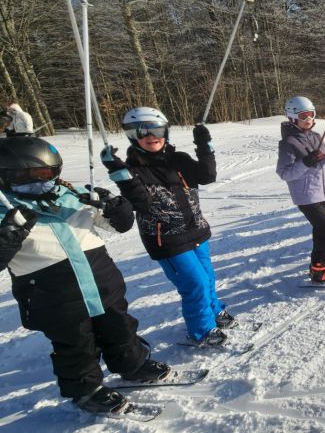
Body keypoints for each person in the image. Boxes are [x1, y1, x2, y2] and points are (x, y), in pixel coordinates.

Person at [0, 136, 170, 414]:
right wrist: (6, 237)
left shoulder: (72, 195)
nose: (43, 181)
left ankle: (132, 364)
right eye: (31, 175)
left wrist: (117, 207)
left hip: (102, 283)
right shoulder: (5, 211)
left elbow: (120, 225)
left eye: (48, 173)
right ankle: (86, 389)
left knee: (120, 326)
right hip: (53, 297)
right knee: (76, 344)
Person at [101, 107, 233, 347]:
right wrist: (119, 173)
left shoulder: (179, 160)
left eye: (157, 129)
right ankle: (201, 331)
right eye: (143, 131)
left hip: (196, 230)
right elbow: (144, 204)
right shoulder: (132, 171)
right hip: (167, 240)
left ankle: (215, 311)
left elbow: (207, 176)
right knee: (194, 284)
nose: (152, 135)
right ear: (133, 135)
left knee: (208, 278)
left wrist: (204, 145)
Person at [276, 96, 325, 284]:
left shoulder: (315, 136)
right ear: (292, 117)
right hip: (306, 196)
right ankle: (318, 270)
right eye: (303, 115)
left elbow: (323, 164)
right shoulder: (288, 143)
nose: (309, 119)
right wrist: (306, 162)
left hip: (322, 191)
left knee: (320, 231)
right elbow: (284, 173)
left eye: (311, 114)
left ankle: (323, 262)